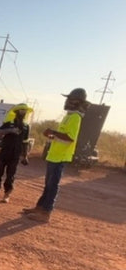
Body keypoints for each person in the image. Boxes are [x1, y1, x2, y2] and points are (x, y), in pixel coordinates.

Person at [23, 88, 89, 223]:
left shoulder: (75, 117)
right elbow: (62, 137)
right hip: (54, 155)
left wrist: (53, 131)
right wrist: (52, 136)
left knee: (53, 185)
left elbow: (70, 137)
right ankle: (39, 207)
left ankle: (46, 213)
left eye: (71, 99)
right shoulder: (69, 116)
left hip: (61, 157)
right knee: (48, 184)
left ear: (78, 102)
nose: (68, 101)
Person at [0, 103, 32, 203]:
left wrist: (25, 156)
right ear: (16, 112)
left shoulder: (26, 126)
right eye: (21, 110)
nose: (23, 113)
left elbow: (25, 142)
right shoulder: (8, 123)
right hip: (4, 152)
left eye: (25, 111)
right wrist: (10, 130)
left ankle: (7, 195)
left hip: (15, 154)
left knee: (11, 175)